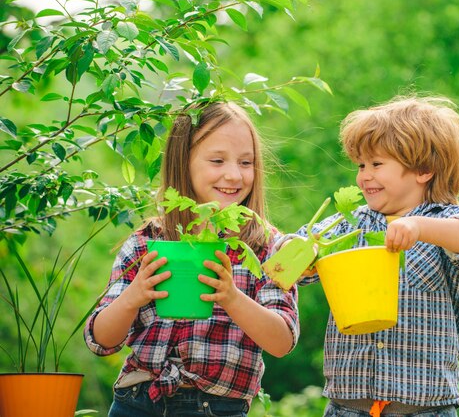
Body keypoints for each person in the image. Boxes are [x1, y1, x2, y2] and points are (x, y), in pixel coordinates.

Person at [84, 101, 299, 417]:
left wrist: (231, 298)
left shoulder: (264, 246)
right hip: (137, 401)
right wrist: (134, 296)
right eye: (217, 160)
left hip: (217, 407)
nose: (233, 174)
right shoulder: (147, 243)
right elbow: (99, 340)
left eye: (246, 162)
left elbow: (282, 340)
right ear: (182, 162)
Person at [296, 95, 459, 416]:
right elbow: (305, 244)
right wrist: (301, 261)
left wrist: (417, 226)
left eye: (376, 164)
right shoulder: (351, 222)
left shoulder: (444, 223)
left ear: (424, 170)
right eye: (361, 165)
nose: (364, 176)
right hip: (348, 407)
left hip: (424, 409)